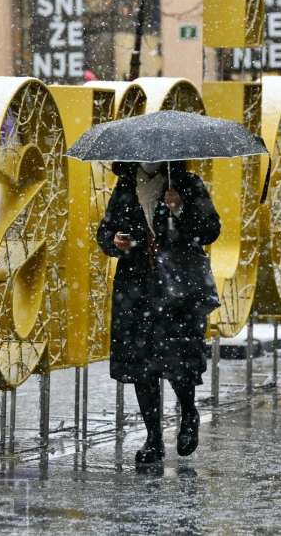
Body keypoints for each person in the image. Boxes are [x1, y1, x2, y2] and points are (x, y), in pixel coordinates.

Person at [96, 160, 220, 464]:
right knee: (143, 365)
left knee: (179, 360)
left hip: (178, 289)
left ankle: (188, 413)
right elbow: (105, 231)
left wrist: (180, 211)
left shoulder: (187, 184)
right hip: (138, 289)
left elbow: (210, 230)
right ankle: (153, 438)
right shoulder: (125, 186)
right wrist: (114, 241)